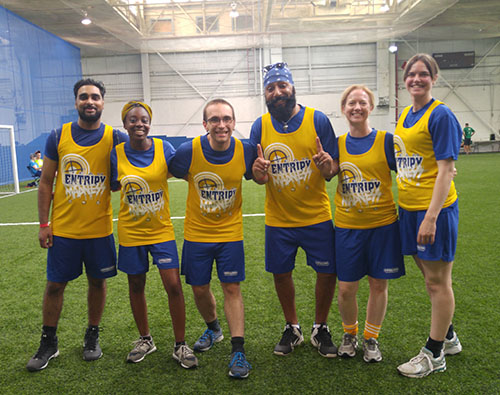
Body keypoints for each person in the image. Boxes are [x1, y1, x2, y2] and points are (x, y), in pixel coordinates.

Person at [26, 78, 129, 372]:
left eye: (95, 97)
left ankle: (92, 335)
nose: (90, 102)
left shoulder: (115, 137)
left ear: (103, 103)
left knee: (98, 282)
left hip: (100, 231)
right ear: (76, 102)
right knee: (55, 285)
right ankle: (49, 341)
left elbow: (127, 174)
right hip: (64, 231)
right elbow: (46, 182)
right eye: (84, 97)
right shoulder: (58, 135)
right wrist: (44, 223)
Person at [251, 62, 339, 358]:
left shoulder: (318, 120)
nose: (277, 92)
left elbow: (333, 167)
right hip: (279, 219)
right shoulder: (259, 126)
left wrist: (329, 167)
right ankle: (292, 327)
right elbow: (259, 176)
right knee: (281, 273)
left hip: (317, 216)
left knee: (327, 273)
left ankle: (320, 326)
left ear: (292, 87)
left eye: (282, 86)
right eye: (270, 88)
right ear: (265, 93)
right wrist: (259, 172)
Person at [169, 98, 253, 379]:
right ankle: (214, 328)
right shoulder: (188, 151)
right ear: (205, 124)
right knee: (199, 289)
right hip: (197, 234)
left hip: (230, 234)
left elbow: (259, 176)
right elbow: (172, 172)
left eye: (226, 119)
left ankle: (237, 350)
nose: (221, 125)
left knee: (232, 288)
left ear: (234, 122)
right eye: (215, 120)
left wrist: (263, 174)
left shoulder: (246, 150)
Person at [110, 101, 198, 369]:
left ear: (150, 123)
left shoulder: (164, 148)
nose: (139, 124)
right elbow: (114, 186)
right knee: (136, 285)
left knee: (173, 285)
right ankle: (145, 339)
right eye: (133, 120)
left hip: (161, 231)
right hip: (130, 232)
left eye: (144, 119)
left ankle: (180, 344)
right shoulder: (116, 154)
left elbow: (186, 173)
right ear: (124, 124)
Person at [394, 54, 462, 378]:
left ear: (434, 78)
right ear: (404, 79)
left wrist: (431, 216)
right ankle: (448, 336)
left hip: (431, 211)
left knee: (437, 282)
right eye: (411, 74)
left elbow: (447, 169)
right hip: (408, 209)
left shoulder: (441, 115)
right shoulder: (406, 114)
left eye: (423, 74)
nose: (416, 79)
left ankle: (434, 354)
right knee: (429, 278)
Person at [333, 85, 405, 363]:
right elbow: (326, 171)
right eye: (351, 103)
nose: (357, 107)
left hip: (383, 226)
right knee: (346, 288)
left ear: (371, 107)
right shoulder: (337, 144)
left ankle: (371, 338)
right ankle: (349, 334)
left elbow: (409, 168)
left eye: (362, 102)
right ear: (343, 108)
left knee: (378, 285)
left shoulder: (387, 140)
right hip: (348, 228)